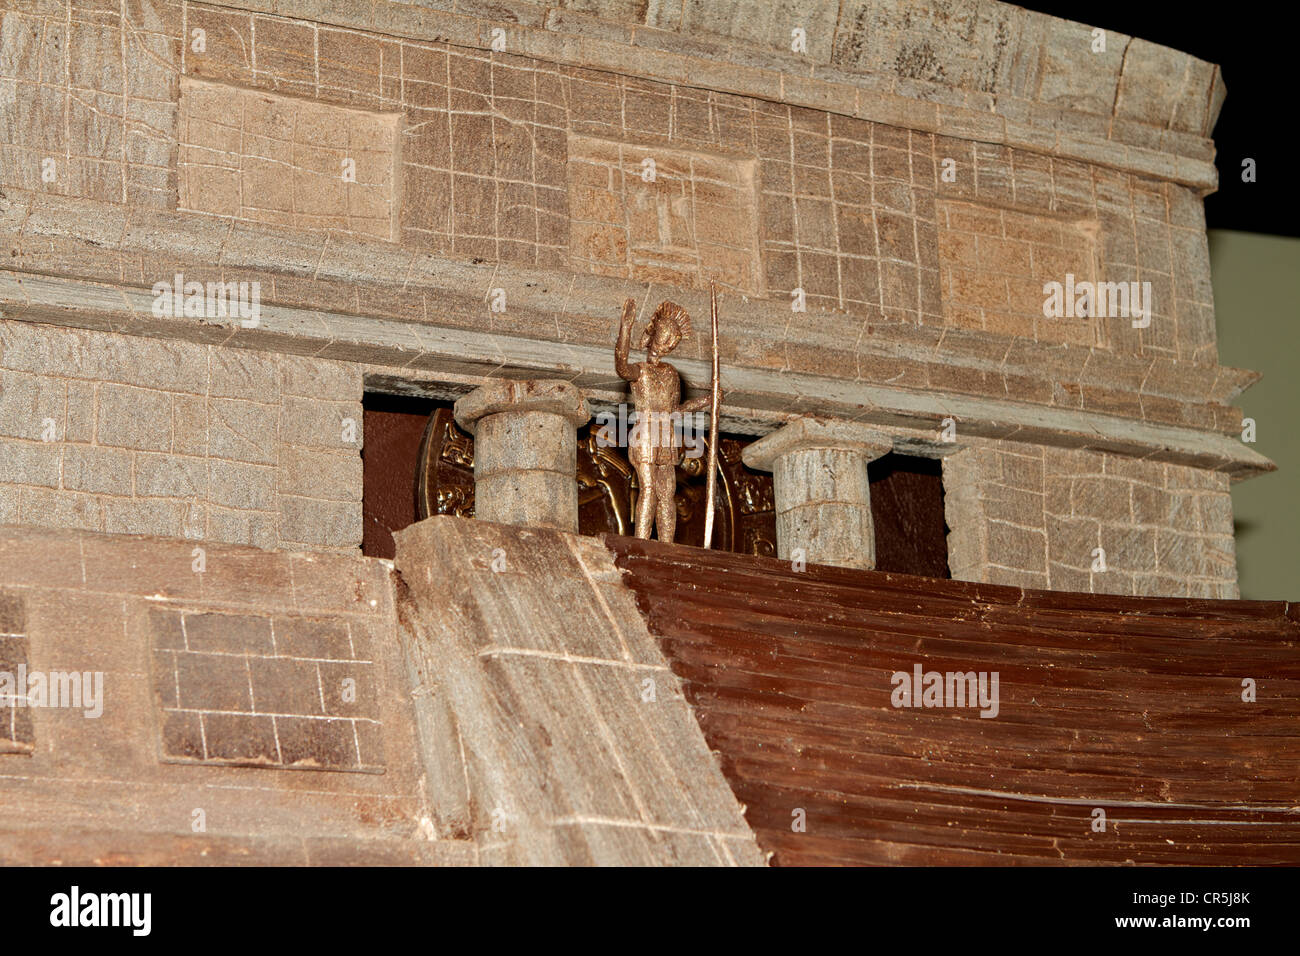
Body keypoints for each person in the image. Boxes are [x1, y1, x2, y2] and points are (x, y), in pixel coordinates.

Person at [614, 298, 721, 543]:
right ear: (653, 335)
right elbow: (621, 366)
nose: (666, 345)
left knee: (666, 494)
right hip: (645, 433)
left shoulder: (671, 374)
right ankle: (641, 544)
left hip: (666, 433)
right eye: (664, 337)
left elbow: (676, 410)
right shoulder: (640, 370)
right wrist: (626, 329)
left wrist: (708, 400)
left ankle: (667, 546)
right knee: (648, 489)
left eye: (672, 342)